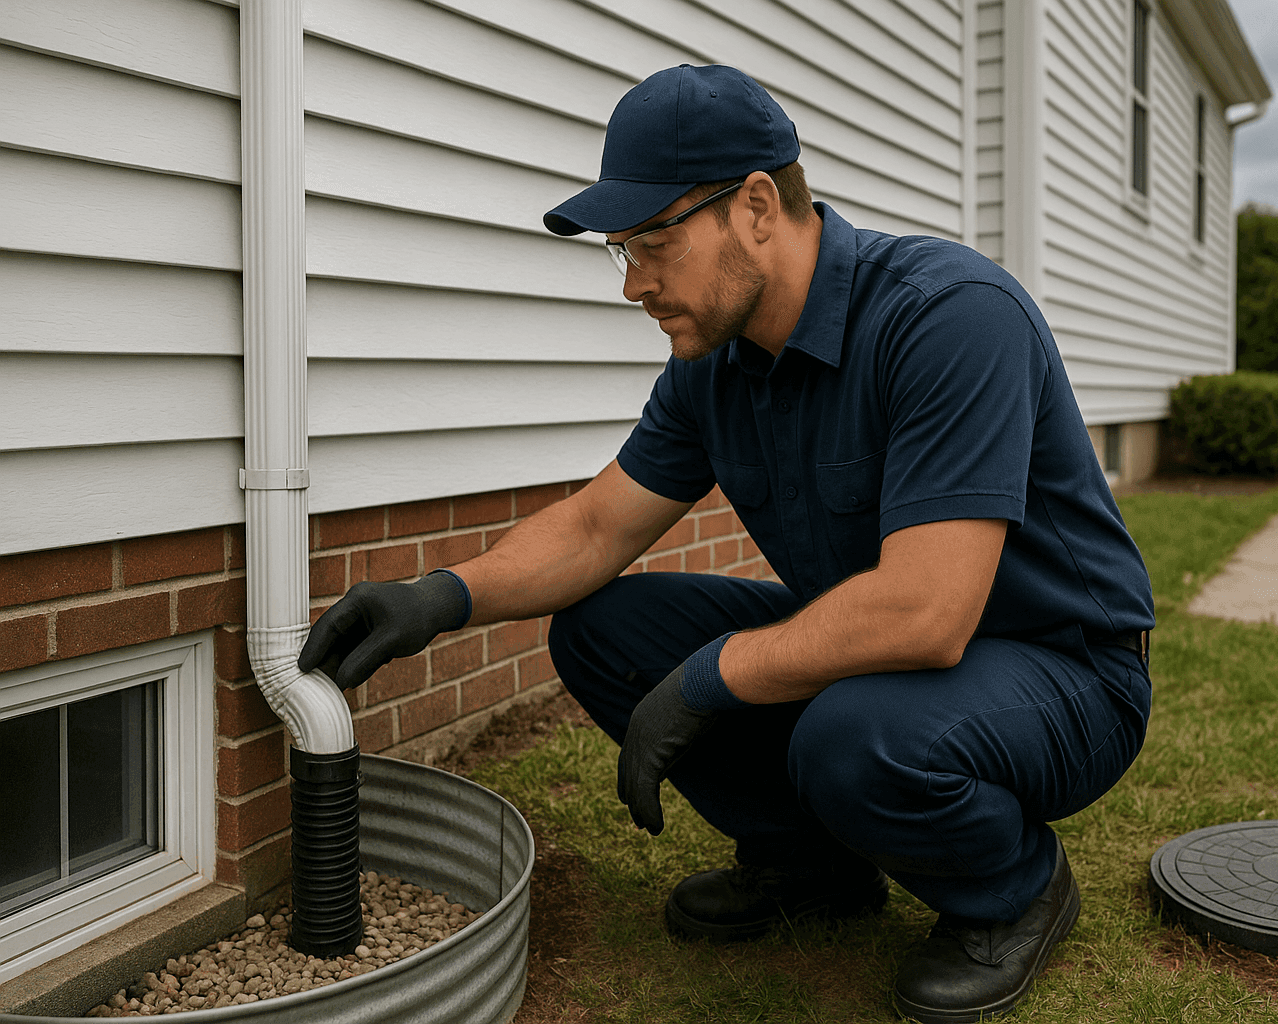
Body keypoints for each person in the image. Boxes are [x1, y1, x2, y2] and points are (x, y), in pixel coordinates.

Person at [299, 63, 1154, 1023]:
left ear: (755, 205)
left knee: (856, 735)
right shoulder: (717, 364)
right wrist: (437, 597)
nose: (633, 283)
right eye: (621, 249)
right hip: (895, 656)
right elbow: (593, 527)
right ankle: (814, 867)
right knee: (606, 629)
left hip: (1063, 669)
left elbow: (926, 611)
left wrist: (716, 676)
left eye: (654, 239)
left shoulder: (948, 316)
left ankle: (1017, 888)